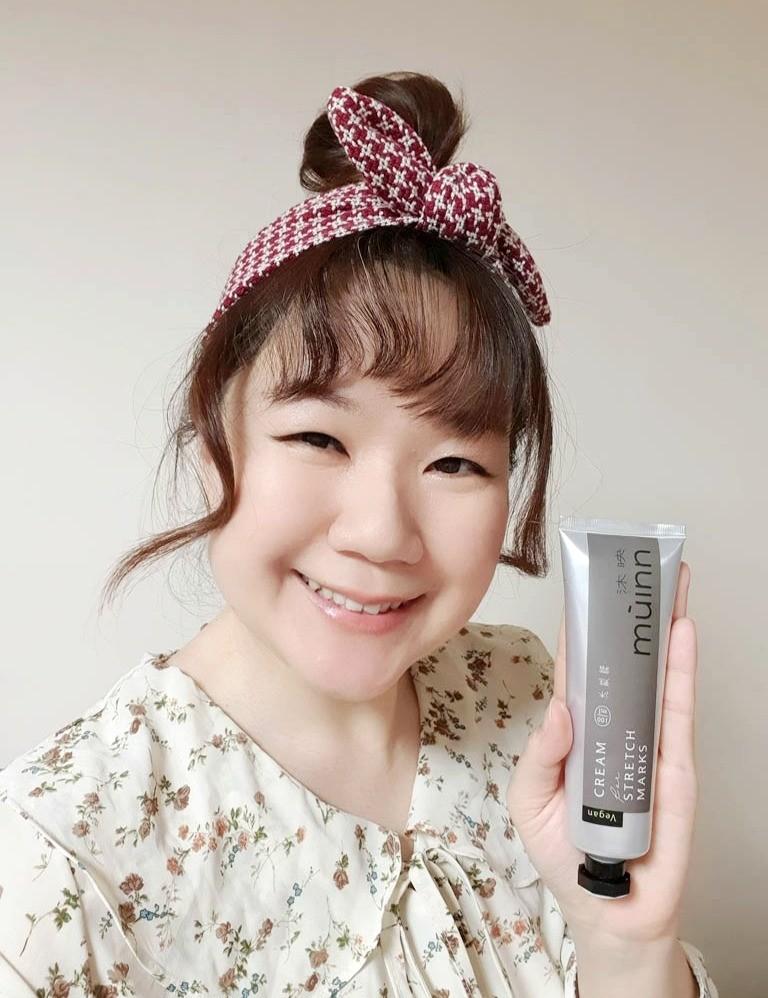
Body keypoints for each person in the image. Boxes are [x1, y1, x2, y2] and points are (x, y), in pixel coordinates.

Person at [0, 71, 718, 997]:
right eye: (318, 438)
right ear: (212, 441)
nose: (382, 535)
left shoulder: (528, 701)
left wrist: (628, 948)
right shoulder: (59, 864)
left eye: (455, 463)